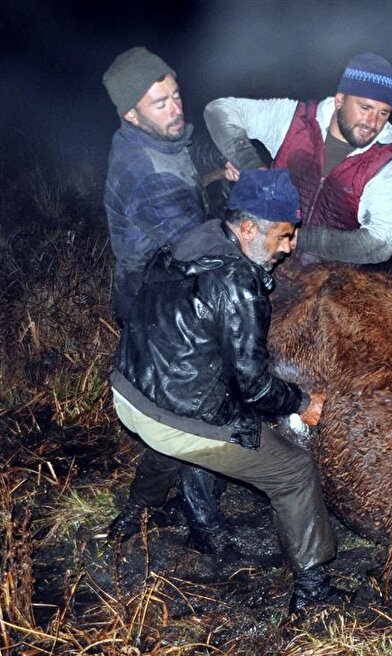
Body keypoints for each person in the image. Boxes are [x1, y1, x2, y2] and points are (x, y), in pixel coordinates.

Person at [111, 168, 343, 614]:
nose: (290, 247)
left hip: (129, 391)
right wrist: (302, 402)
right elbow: (255, 388)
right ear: (249, 228)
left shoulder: (190, 240)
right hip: (170, 413)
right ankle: (314, 591)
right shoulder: (239, 283)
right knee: (293, 471)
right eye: (283, 235)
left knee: (169, 435)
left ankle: (136, 512)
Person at [102, 46, 233, 558]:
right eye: (160, 103)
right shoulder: (142, 169)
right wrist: (253, 228)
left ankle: (141, 506)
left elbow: (185, 178)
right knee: (200, 405)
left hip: (166, 291)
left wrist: (217, 176)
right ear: (130, 114)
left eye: (176, 95)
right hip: (154, 308)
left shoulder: (157, 140)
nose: (176, 109)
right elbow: (197, 241)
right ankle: (204, 527)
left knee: (167, 408)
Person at [204, 53, 392, 266]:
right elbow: (219, 109)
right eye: (365, 108)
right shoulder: (293, 118)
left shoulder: (385, 166)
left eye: (384, 113)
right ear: (340, 100)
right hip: (262, 256)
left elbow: (382, 243)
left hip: (325, 281)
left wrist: (299, 237)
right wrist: (254, 170)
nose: (373, 123)